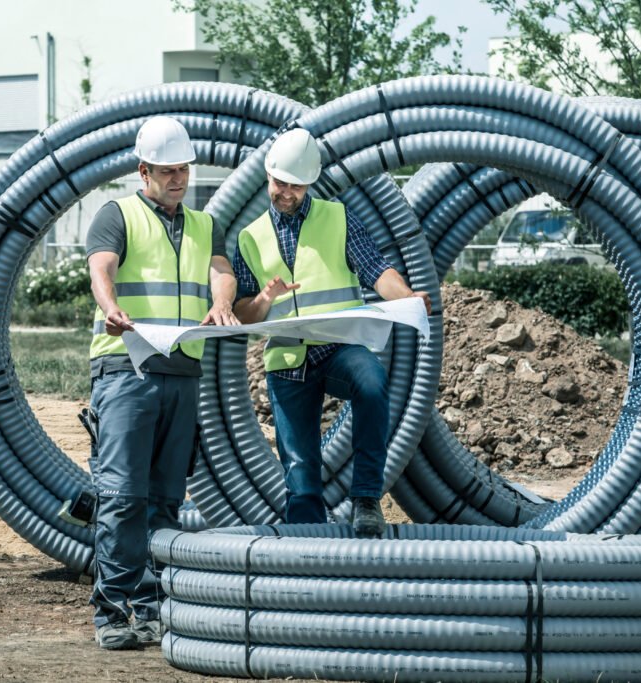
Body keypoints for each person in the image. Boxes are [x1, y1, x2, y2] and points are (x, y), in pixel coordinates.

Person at [84, 116, 238, 650]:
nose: (179, 179)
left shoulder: (203, 224)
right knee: (122, 495)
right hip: (126, 370)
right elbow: (100, 267)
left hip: (181, 372)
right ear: (143, 171)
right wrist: (111, 309)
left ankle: (150, 607)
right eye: (169, 170)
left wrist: (223, 301)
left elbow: (222, 270)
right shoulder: (116, 215)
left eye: (185, 169)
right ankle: (111, 610)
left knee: (165, 498)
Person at [232, 128, 432, 537]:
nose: (286, 192)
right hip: (288, 359)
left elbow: (377, 272)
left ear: (309, 183)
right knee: (300, 471)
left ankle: (366, 499)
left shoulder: (338, 218)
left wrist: (408, 297)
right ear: (267, 176)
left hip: (340, 346)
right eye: (279, 183)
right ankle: (309, 557)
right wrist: (264, 299)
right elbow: (244, 314)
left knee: (372, 381)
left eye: (296, 185)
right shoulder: (250, 238)